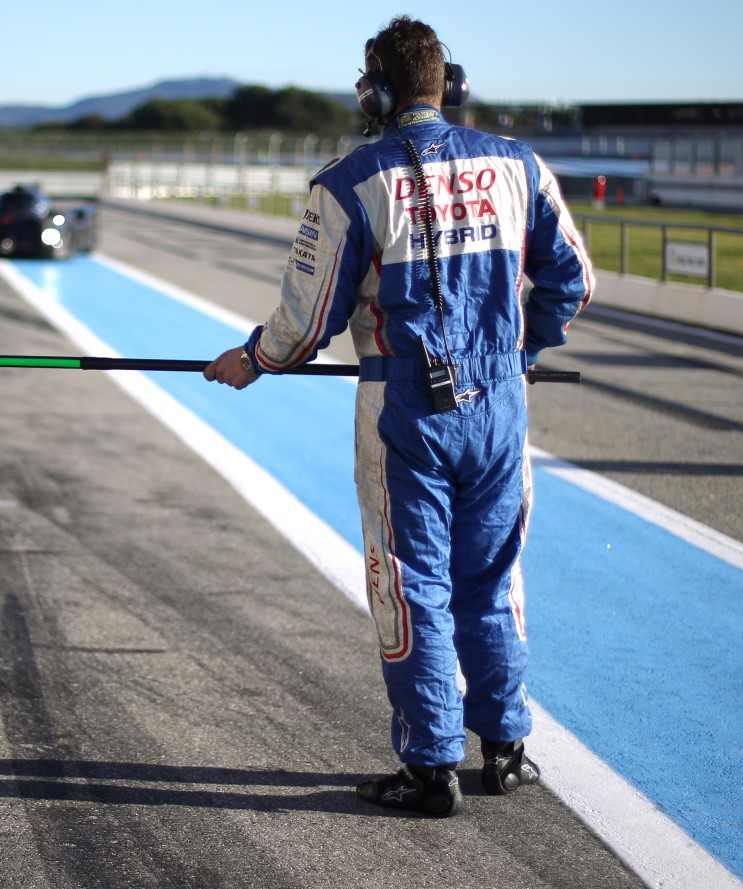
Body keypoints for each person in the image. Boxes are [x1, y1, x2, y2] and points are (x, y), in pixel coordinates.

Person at [203, 15, 593, 817]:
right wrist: (523, 348)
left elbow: (306, 324)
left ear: (375, 90)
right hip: (500, 406)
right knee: (489, 581)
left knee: (409, 583)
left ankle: (429, 767)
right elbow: (573, 280)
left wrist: (253, 358)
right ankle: (506, 748)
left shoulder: (349, 180)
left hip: (404, 407)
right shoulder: (517, 163)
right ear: (448, 84)